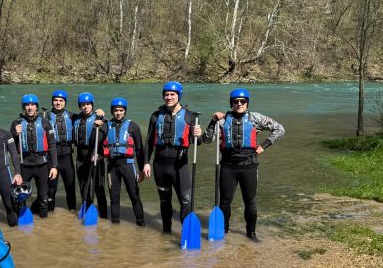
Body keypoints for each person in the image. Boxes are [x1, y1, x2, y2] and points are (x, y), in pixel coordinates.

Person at [201, 88, 285, 242]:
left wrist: (263, 146)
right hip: (228, 167)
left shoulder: (255, 118)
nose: (239, 104)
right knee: (225, 201)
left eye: (242, 101)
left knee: (250, 201)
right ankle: (223, 231)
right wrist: (213, 121)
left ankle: (251, 233)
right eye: (236, 101)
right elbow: (206, 140)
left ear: (247, 103)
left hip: (249, 166)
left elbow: (279, 129)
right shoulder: (222, 120)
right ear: (231, 103)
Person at [143, 81, 203, 233]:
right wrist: (146, 163)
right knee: (164, 200)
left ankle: (186, 232)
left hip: (180, 163)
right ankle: (166, 231)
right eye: (166, 94)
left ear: (179, 96)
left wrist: (199, 135)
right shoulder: (156, 116)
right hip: (160, 164)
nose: (169, 97)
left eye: (172, 94)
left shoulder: (190, 116)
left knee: (186, 200)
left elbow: (199, 143)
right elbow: (149, 142)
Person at [11, 94, 59, 218]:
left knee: (43, 197)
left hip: (42, 165)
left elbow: (52, 145)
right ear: (23, 107)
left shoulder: (45, 123)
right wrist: (15, 134)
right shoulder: (16, 123)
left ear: (36, 107)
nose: (30, 107)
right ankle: (21, 221)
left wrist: (54, 166)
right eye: (27, 105)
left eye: (33, 105)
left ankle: (44, 223)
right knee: (20, 196)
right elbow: (11, 147)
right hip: (24, 164)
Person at [103, 98, 145, 226]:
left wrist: (142, 169)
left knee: (134, 196)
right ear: (112, 112)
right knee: (114, 198)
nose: (118, 113)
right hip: (112, 166)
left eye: (121, 110)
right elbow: (96, 139)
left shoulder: (133, 127)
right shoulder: (105, 126)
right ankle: (115, 225)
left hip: (128, 165)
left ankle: (141, 224)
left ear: (125, 111)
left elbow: (139, 150)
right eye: (115, 110)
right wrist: (96, 125)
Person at [73, 92, 108, 218]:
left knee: (99, 188)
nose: (85, 107)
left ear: (92, 105)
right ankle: (87, 211)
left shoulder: (100, 118)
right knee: (83, 188)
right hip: (80, 158)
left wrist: (100, 154)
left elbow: (105, 136)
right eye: (83, 104)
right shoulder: (75, 118)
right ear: (79, 106)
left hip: (95, 157)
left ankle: (104, 215)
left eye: (88, 104)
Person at [46, 90, 77, 212]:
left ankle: (72, 210)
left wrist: (100, 114)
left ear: (65, 102)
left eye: (61, 101)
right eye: (55, 100)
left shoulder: (72, 116)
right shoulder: (45, 117)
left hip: (67, 156)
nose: (58, 103)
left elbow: (88, 117)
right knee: (51, 186)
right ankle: (50, 212)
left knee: (70, 185)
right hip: (52, 156)